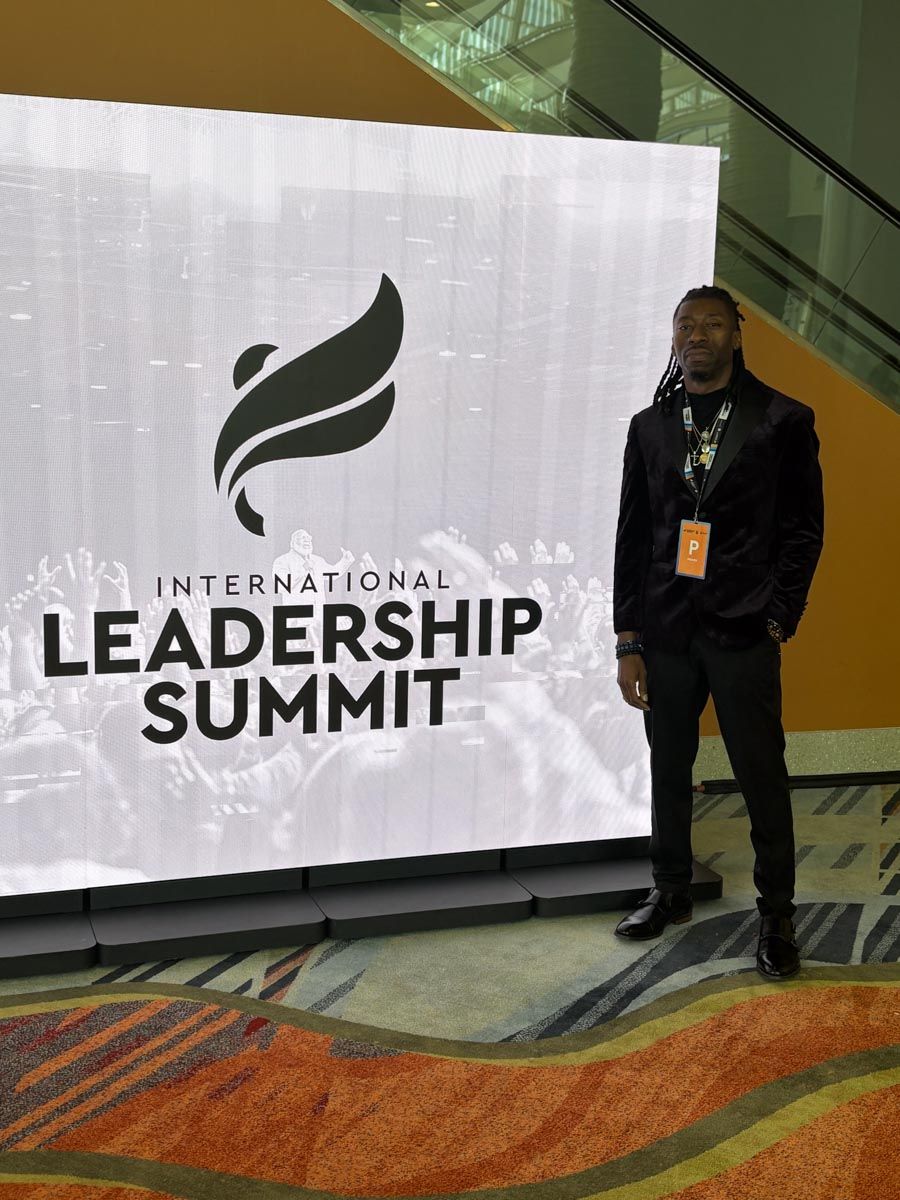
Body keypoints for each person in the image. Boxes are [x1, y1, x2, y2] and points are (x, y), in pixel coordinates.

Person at [612, 285, 824, 979]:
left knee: (761, 775)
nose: (696, 334)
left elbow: (802, 530)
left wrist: (778, 616)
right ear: (674, 338)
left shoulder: (783, 419)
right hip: (667, 631)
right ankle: (670, 890)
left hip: (743, 630)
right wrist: (628, 638)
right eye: (685, 324)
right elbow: (634, 536)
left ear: (738, 331)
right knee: (669, 769)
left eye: (711, 323)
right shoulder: (651, 424)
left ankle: (777, 915)